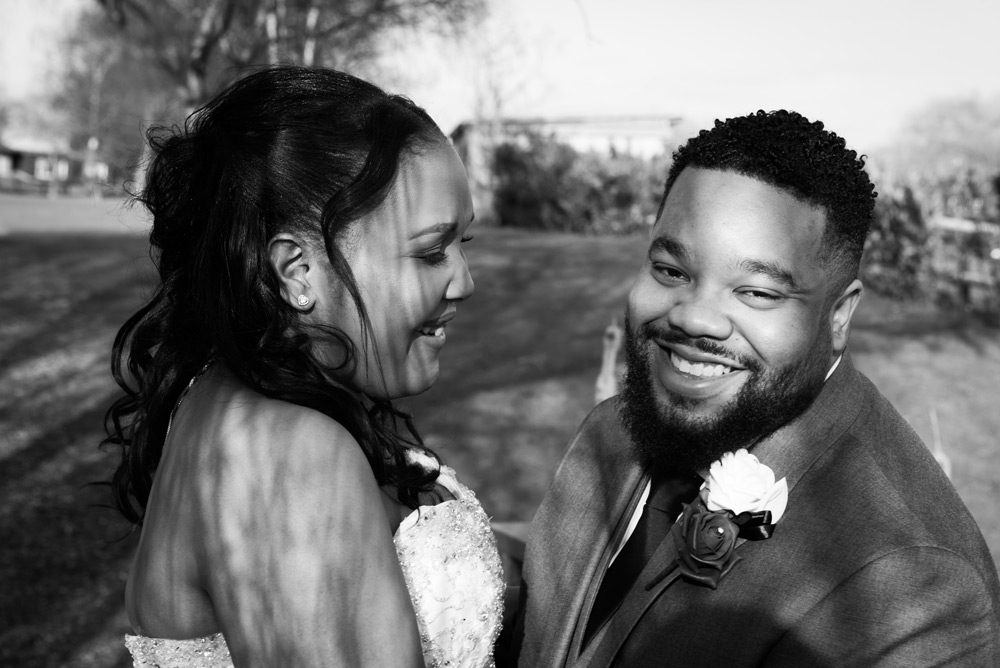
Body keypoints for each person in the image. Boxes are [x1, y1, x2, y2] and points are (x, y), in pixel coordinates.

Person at [506, 110, 1000, 667]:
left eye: (758, 293)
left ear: (839, 315)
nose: (695, 319)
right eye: (671, 270)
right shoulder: (608, 431)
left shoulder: (912, 589)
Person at [102, 66, 504, 668]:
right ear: (297, 272)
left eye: (462, 245)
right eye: (430, 252)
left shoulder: (234, 399)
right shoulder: (286, 456)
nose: (464, 282)